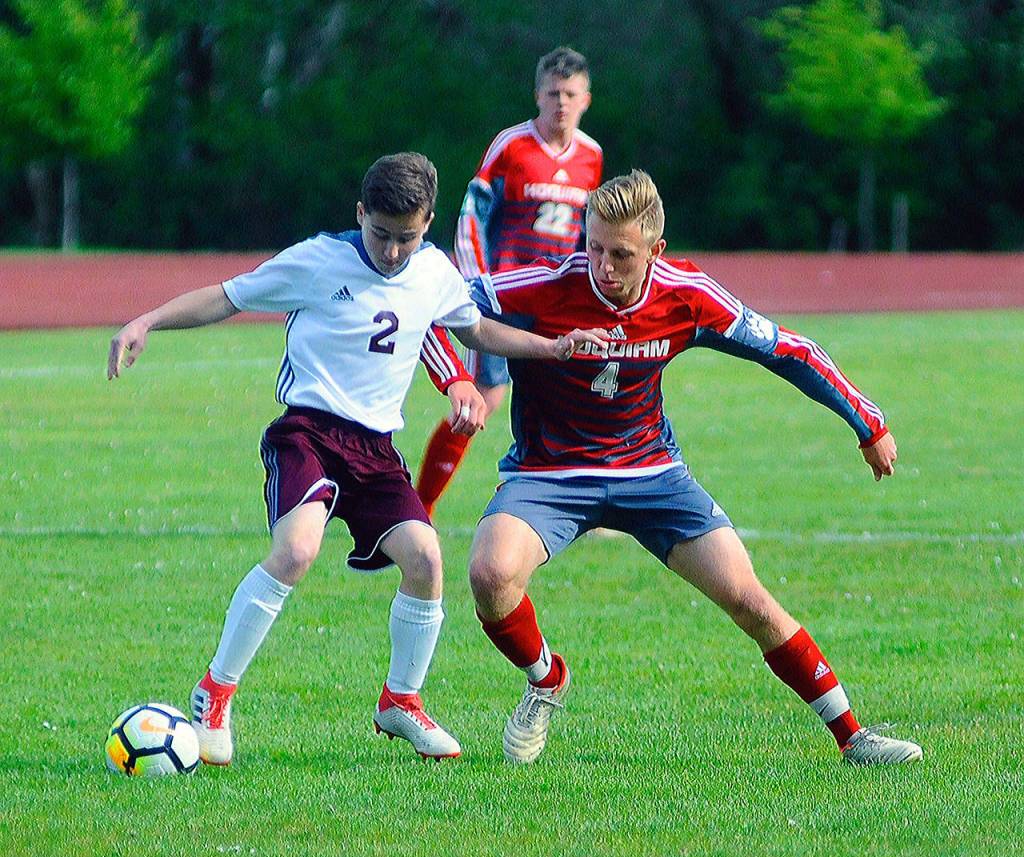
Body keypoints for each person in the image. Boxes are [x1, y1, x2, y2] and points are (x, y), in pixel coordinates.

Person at [106, 152, 607, 764]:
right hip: (308, 434)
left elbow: (476, 329)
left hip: (375, 450)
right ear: (360, 212)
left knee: (426, 559)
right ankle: (214, 694)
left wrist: (552, 350)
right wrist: (147, 322)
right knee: (296, 551)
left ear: (427, 225)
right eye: (381, 234)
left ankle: (401, 701)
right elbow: (227, 297)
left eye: (408, 238)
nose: (393, 252)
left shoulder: (433, 271)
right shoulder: (319, 260)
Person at [465, 169, 924, 766]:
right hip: (550, 476)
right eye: (594, 247)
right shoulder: (541, 286)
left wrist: (868, 422)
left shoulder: (687, 293)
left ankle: (854, 738)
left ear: (655, 252)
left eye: (621, 255)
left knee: (750, 600)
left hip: (652, 473)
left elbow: (789, 349)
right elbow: (444, 307)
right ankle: (546, 679)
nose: (602, 266)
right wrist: (458, 381)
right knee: (490, 575)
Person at [415, 46, 603, 517]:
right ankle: (421, 504)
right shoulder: (512, 146)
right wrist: (476, 283)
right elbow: (474, 214)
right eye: (553, 93)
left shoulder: (592, 157)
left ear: (586, 100)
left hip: (557, 301)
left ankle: (593, 503)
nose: (561, 102)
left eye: (571, 94)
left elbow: (590, 233)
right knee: (485, 398)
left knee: (580, 395)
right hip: (505, 295)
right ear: (537, 95)